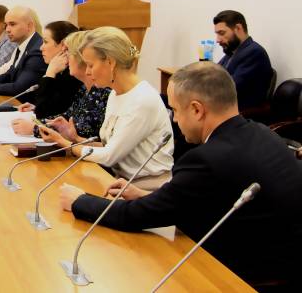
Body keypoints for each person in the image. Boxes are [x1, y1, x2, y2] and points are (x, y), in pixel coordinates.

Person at [59, 62, 302, 290]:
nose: (174, 119)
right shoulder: (262, 132)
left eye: (175, 110)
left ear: (197, 109)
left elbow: (136, 217)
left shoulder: (207, 159)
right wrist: (147, 195)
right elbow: (207, 198)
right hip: (287, 265)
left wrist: (80, 201)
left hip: (242, 278)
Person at [45, 26, 173, 190]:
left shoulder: (142, 100)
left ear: (110, 63)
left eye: (90, 65)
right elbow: (110, 146)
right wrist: (76, 139)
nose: (88, 72)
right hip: (121, 181)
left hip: (147, 188)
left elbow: (109, 157)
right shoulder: (115, 94)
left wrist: (63, 142)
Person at [12, 30, 110, 141]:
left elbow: (81, 131)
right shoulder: (85, 88)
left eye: (67, 51)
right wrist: (36, 123)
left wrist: (35, 129)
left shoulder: (102, 90)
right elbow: (66, 117)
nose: (65, 56)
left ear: (81, 57)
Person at [0, 6, 47, 105]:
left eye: (12, 24)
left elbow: (19, 88)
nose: (7, 30)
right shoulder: (24, 45)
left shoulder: (37, 50)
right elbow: (9, 75)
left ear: (29, 26)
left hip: (28, 107)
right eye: (6, 25)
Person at [14, 21, 82, 118]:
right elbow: (54, 108)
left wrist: (50, 73)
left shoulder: (73, 75)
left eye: (45, 42)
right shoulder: (61, 71)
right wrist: (35, 107)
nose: (41, 48)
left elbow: (42, 113)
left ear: (63, 45)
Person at [213, 10, 273, 113]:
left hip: (240, 113)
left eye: (222, 33)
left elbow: (229, 89)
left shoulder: (254, 52)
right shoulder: (233, 51)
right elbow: (213, 73)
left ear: (238, 28)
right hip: (225, 108)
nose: (218, 40)